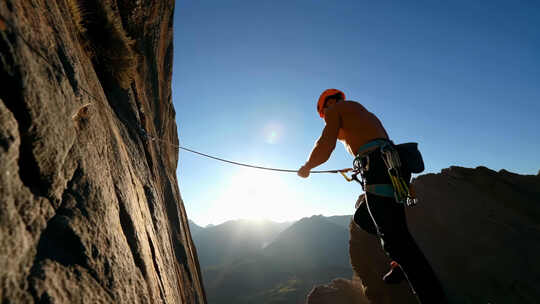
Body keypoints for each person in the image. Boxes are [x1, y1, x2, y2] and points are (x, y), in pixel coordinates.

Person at [298, 89, 446, 303]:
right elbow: (369, 139)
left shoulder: (334, 111)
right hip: (392, 166)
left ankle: (431, 296)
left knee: (401, 245)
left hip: (378, 168)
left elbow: (326, 143)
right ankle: (398, 261)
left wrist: (307, 167)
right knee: (364, 218)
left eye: (323, 114)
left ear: (326, 106)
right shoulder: (359, 110)